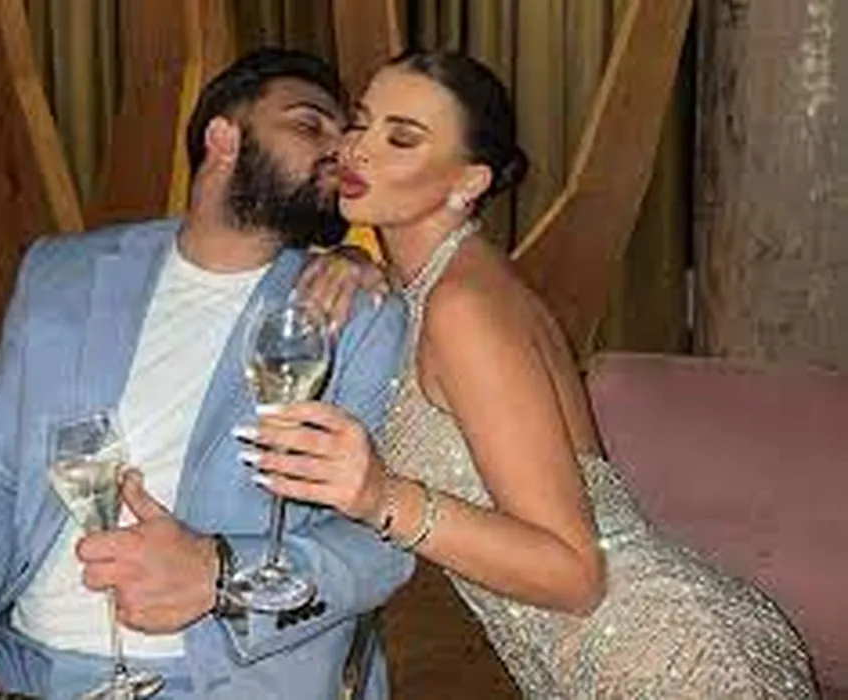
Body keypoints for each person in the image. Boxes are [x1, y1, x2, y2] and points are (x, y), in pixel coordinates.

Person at [242, 51, 820, 698]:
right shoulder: (441, 282)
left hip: (672, 663)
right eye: (360, 122)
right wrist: (354, 259)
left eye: (400, 138)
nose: (358, 150)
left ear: (468, 182)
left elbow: (575, 575)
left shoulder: (465, 308)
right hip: (613, 653)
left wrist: (381, 498)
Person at [0, 48, 412, 699]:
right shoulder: (63, 274)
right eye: (308, 124)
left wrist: (218, 574)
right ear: (222, 138)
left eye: (342, 135)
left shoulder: (353, 312)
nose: (338, 150)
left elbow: (383, 546)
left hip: (218, 678)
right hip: (21, 662)